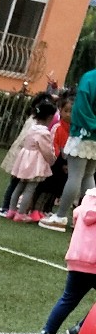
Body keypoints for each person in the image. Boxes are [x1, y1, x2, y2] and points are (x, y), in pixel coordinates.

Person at [35, 185, 96, 334]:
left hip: (77, 258)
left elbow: (76, 218)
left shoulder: (87, 200)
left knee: (68, 298)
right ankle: (79, 329)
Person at [40, 67, 96, 230]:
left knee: (75, 176)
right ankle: (90, 215)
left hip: (83, 133)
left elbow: (81, 109)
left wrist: (88, 126)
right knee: (88, 175)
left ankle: (61, 216)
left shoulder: (90, 78)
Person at [0, 89, 59, 216]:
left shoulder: (32, 122)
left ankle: (10, 209)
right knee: (25, 187)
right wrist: (52, 159)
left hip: (22, 155)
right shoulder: (42, 130)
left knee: (18, 184)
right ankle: (14, 210)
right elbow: (45, 149)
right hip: (30, 159)